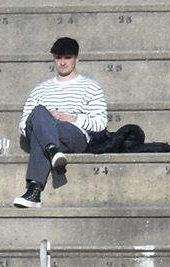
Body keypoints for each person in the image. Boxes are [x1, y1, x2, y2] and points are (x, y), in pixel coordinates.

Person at [13, 37, 109, 209]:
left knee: (43, 128)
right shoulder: (40, 90)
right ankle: (52, 150)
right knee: (39, 112)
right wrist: (46, 120)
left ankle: (34, 189)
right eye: (58, 57)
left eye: (67, 57)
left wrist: (73, 119)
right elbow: (23, 125)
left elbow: (100, 123)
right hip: (47, 136)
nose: (62, 62)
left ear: (76, 59)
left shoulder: (91, 87)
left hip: (73, 135)